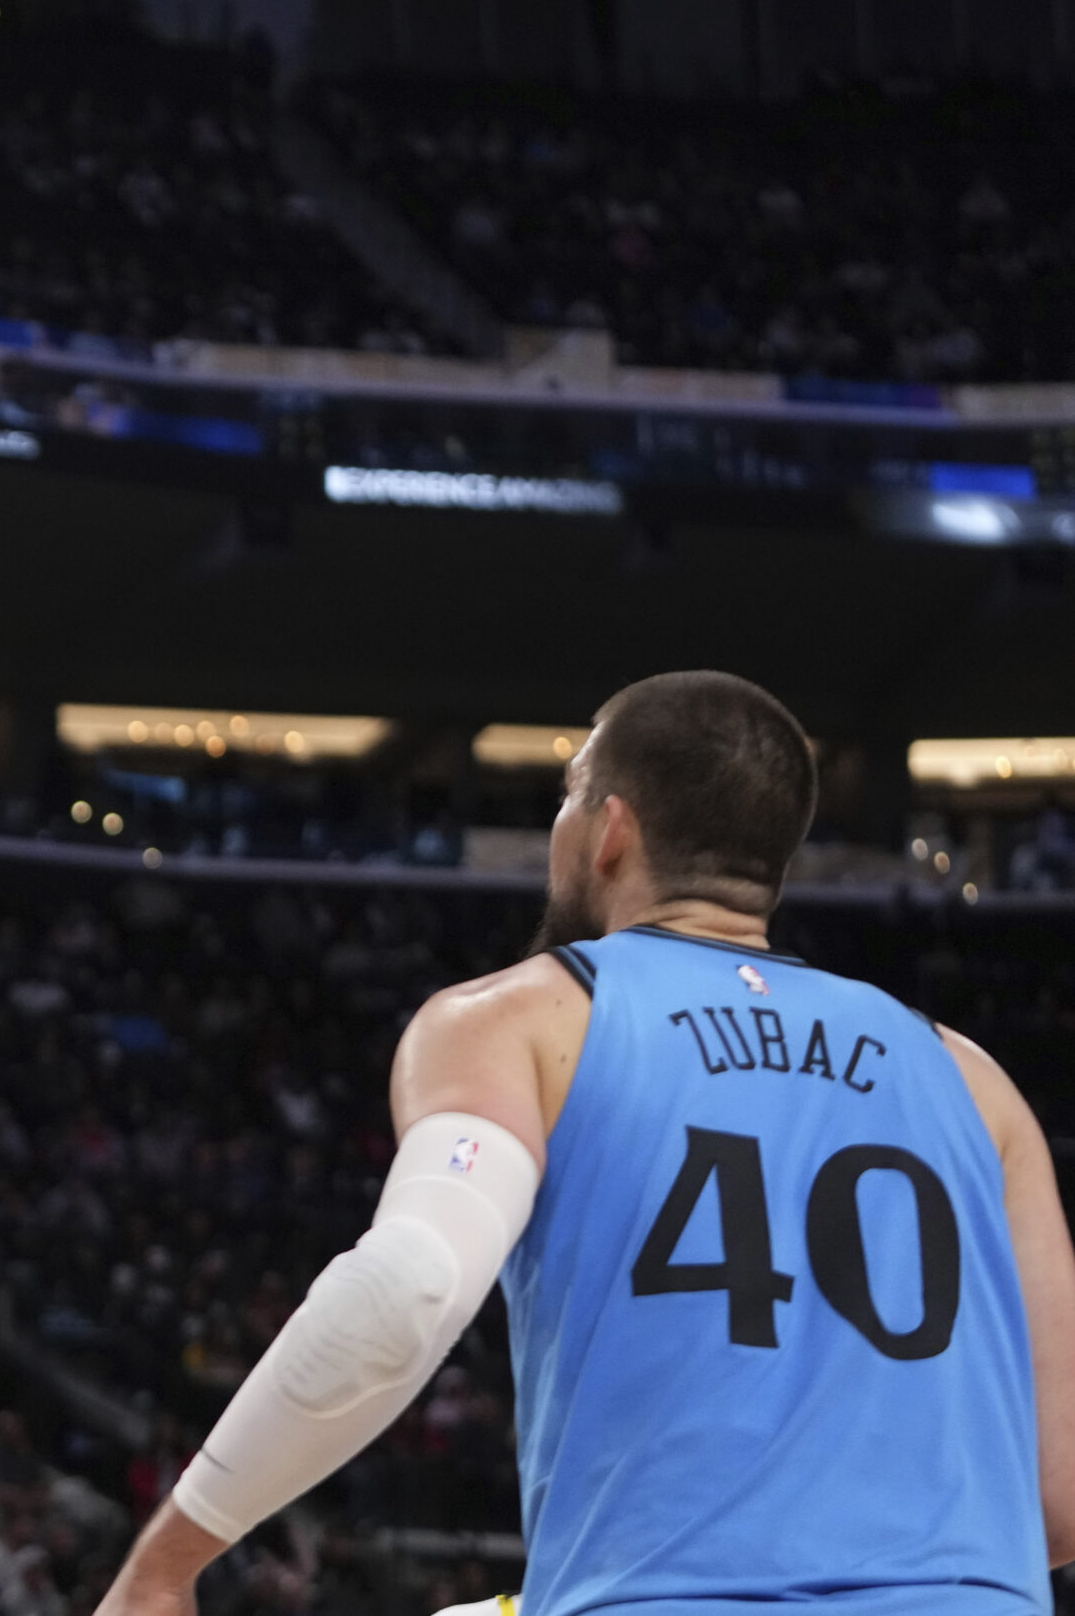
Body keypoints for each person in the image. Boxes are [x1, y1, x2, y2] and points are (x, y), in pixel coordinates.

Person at [94, 672, 1075, 1613]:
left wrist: (168, 1561)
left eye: (567, 797)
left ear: (610, 829)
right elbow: (1058, 1499)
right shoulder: (971, 1079)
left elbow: (407, 1291)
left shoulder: (519, 1019)